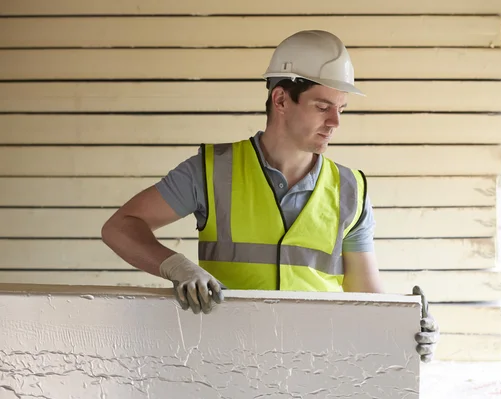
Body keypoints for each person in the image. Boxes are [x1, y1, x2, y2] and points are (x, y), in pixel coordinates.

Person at [101, 30, 439, 362]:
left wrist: (407, 330)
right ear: (280, 100)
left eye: (342, 108)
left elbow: (366, 298)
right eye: (323, 106)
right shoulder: (211, 171)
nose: (335, 121)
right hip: (228, 364)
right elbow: (120, 227)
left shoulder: (351, 190)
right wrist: (177, 267)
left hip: (318, 369)